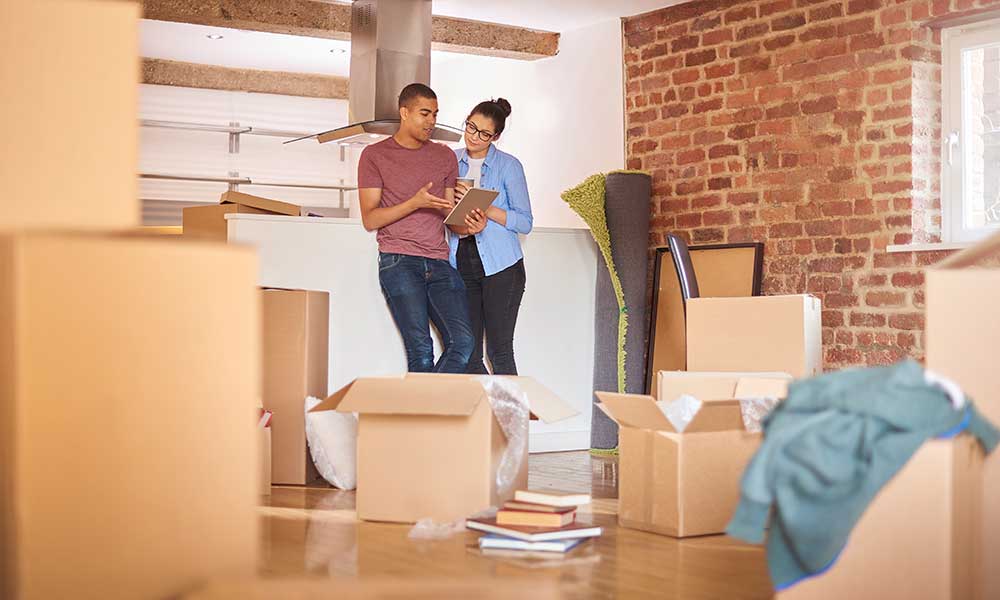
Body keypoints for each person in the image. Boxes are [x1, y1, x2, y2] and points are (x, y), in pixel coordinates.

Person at [357, 83, 487, 373]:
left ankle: (427, 413)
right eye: (424, 113)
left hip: (439, 262)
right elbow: (370, 219)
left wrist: (470, 225)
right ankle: (426, 416)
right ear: (404, 112)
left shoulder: (444, 156)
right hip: (399, 261)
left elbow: (451, 220)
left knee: (464, 343)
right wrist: (413, 203)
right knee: (421, 352)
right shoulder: (374, 156)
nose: (432, 121)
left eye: (435, 114)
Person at [450, 98, 532, 375]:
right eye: (470, 127)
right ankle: (486, 415)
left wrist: (487, 209)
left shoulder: (509, 166)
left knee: (499, 351)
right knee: (468, 354)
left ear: (495, 136)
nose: (473, 136)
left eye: (483, 133)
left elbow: (525, 221)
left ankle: (511, 418)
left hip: (502, 266)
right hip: (461, 261)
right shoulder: (451, 161)